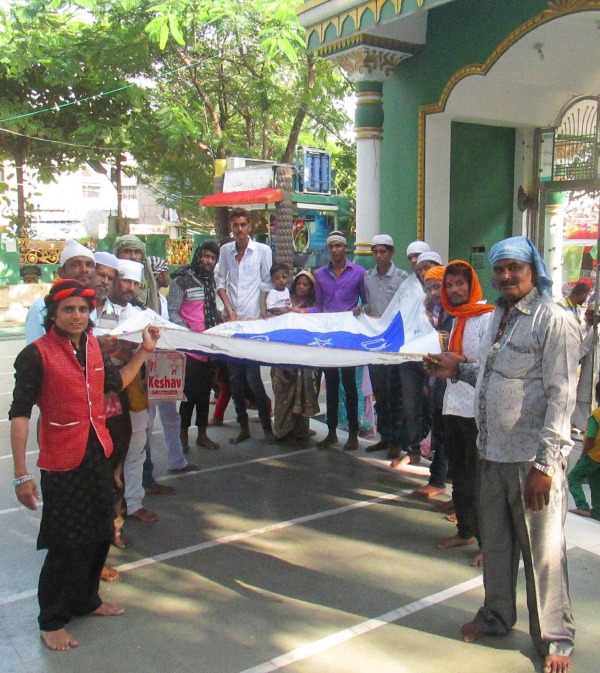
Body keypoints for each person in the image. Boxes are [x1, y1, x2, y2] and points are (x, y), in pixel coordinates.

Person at [427, 236, 579, 673]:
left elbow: (561, 396)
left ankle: (556, 638)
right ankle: (496, 616)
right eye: (500, 269)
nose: (507, 276)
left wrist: (545, 465)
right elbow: (496, 377)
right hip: (490, 453)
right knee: (496, 546)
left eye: (515, 267)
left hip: (531, 463)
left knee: (543, 555)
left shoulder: (553, 320)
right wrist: (457, 369)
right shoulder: (498, 316)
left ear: (533, 269)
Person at [10, 278, 159, 652]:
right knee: (65, 540)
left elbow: (116, 383)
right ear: (54, 314)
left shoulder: (93, 345)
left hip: (98, 450)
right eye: (68, 309)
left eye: (82, 309)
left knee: (98, 530)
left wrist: (144, 352)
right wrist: (21, 474)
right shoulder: (36, 354)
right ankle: (52, 619)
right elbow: (20, 415)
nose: (77, 316)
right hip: (61, 458)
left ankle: (86, 600)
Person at [435, 261, 493, 565]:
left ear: (472, 285)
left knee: (478, 481)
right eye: (450, 285)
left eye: (460, 284)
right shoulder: (456, 317)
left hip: (477, 412)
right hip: (453, 406)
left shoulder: (486, 316)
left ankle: (489, 544)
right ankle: (465, 531)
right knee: (458, 477)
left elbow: (491, 364)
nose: (454, 290)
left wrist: (458, 360)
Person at [216, 207, 274, 444]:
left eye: (243, 225)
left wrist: (261, 311)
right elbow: (220, 281)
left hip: (252, 325)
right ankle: (243, 426)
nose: (239, 229)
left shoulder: (262, 251)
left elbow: (267, 283)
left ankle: (267, 427)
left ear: (249, 227)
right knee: (235, 380)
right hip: (232, 324)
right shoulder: (226, 251)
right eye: (235, 225)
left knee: (253, 379)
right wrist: (228, 308)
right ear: (231, 227)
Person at [312, 230, 366, 451]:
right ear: (327, 250)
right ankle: (331, 432)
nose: (335, 250)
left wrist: (360, 309)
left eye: (338, 246)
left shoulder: (359, 273)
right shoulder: (319, 275)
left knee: (350, 385)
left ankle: (353, 433)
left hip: (349, 336)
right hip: (328, 337)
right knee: (331, 385)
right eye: (331, 246)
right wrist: (297, 312)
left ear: (346, 248)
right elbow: (318, 306)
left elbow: (367, 303)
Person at [145, 256, 199, 472]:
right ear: (159, 275)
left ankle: (176, 461)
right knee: (146, 421)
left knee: (170, 416)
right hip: (148, 363)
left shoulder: (163, 300)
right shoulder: (145, 302)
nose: (168, 276)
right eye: (166, 272)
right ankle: (143, 471)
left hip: (165, 363)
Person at [168, 242, 221, 451]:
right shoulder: (181, 280)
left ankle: (202, 434)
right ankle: (183, 436)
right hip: (189, 347)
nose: (208, 261)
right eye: (205, 256)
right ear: (197, 256)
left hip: (208, 345)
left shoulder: (211, 281)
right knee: (189, 393)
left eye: (212, 258)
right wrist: (187, 332)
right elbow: (172, 311)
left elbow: (212, 310)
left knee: (204, 393)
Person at [362, 234, 408, 457]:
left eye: (383, 251)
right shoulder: (368, 278)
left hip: (395, 344)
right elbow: (368, 306)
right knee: (379, 392)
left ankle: (396, 442)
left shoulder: (402, 278)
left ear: (391, 253)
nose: (378, 256)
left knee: (394, 393)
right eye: (375, 252)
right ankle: (384, 436)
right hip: (375, 343)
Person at [412, 264, 453, 498]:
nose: (436, 293)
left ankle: (446, 486)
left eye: (439, 286)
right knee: (440, 432)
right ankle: (438, 481)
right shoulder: (440, 312)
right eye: (431, 288)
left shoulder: (461, 313)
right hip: (441, 383)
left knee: (452, 437)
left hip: (457, 387)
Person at [392, 241, 432, 466]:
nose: (416, 262)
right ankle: (414, 450)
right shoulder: (406, 286)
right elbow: (395, 314)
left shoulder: (443, 284)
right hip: (409, 354)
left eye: (420, 257)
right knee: (411, 405)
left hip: (434, 357)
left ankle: (438, 458)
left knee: (436, 408)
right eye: (412, 258)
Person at [270, 269, 320, 441]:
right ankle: (282, 428)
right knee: (282, 390)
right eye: (299, 283)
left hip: (303, 355)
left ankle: (300, 430)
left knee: (303, 391)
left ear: (311, 287)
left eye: (306, 284)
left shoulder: (312, 306)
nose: (301, 287)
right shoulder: (284, 299)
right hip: (281, 353)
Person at [25, 240, 96, 343]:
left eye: (89, 265)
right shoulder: (40, 307)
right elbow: (35, 352)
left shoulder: (90, 305)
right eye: (76, 264)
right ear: (61, 272)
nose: (84, 270)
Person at [568, 380, 600, 520]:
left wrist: (583, 453)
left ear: (597, 395)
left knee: (572, 478)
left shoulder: (596, 416)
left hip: (591, 455)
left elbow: (591, 437)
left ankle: (582, 506)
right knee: (595, 482)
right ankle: (597, 511)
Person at [112, 234, 160, 313]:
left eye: (137, 252)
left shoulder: (148, 280)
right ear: (117, 253)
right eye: (127, 251)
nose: (133, 256)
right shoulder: (109, 277)